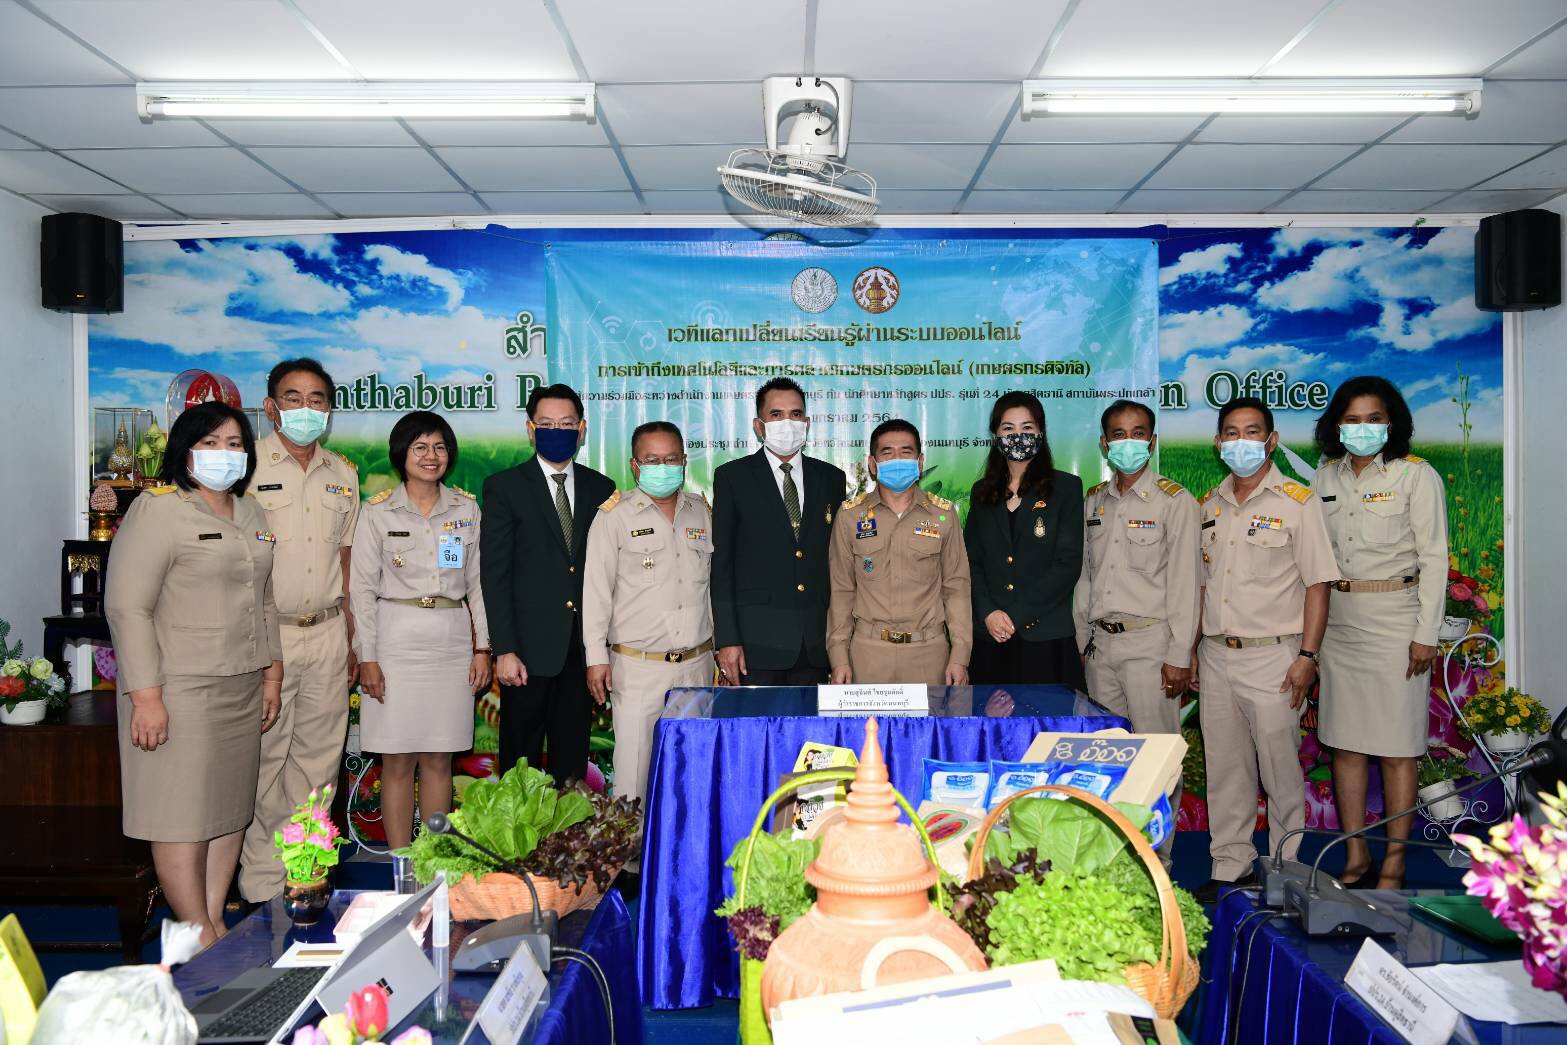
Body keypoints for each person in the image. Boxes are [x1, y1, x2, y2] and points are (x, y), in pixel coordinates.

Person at [105, 402, 283, 947]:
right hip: (178, 689)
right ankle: (196, 931)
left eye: (235, 444)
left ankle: (214, 919)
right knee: (180, 813)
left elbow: (265, 600)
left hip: (243, 683)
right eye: (210, 443)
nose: (224, 453)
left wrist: (272, 677)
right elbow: (127, 607)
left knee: (228, 809)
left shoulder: (251, 512)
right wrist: (146, 698)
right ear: (184, 450)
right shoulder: (158, 510)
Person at [1193, 397, 1340, 902]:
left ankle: (1284, 869)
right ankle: (1230, 864)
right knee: (1226, 768)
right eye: (1231, 433)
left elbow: (1318, 584)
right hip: (1216, 655)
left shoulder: (1298, 503)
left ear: (1271, 440)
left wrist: (1308, 656)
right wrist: (1193, 650)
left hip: (1275, 657)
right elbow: (1203, 586)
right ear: (1218, 443)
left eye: (1252, 431)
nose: (1242, 442)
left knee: (1280, 770)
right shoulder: (1209, 506)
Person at [1313, 377, 1448, 890]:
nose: (1362, 428)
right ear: (1337, 425)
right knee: (1345, 745)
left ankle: (1394, 861)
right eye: (1352, 420)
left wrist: (1426, 633)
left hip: (1396, 621)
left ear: (1392, 424)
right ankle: (1356, 855)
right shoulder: (1326, 476)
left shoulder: (1416, 475)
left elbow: (1434, 559)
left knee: (1396, 748)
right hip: (1339, 623)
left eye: (1374, 420)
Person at [238, 358, 360, 904]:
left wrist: (354, 638)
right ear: (271, 407)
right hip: (269, 638)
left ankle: (303, 879)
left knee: (318, 766)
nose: (305, 409)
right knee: (264, 762)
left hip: (329, 633)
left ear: (328, 411)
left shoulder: (343, 475)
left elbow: (347, 562)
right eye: (293, 398)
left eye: (316, 400)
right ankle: (261, 889)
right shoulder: (243, 467)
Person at [350, 411, 491, 851]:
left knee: (438, 759)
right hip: (395, 644)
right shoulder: (377, 512)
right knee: (397, 761)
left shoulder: (466, 509)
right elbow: (361, 590)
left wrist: (483, 648)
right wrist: (367, 656)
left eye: (440, 447)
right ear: (402, 454)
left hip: (451, 643)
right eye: (421, 447)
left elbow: (478, 585)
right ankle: (401, 866)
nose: (431, 456)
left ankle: (433, 861)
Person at [1073, 399, 1200, 862]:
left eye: (1138, 433)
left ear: (1152, 440)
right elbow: (1085, 576)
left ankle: (1159, 861)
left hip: (1151, 646)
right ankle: (1118, 859)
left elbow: (1186, 584)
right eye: (1118, 434)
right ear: (1104, 444)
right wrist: (1082, 639)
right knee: (1109, 757)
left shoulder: (1175, 501)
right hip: (1100, 646)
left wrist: (1180, 655)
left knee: (1156, 757)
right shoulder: (1093, 501)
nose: (1128, 442)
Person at [481, 384, 614, 786]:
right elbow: (495, 575)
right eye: (547, 423)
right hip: (526, 654)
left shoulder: (602, 488)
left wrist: (601, 649)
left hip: (581, 651)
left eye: (567, 424)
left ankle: (568, 829)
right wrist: (505, 649)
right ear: (530, 429)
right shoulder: (505, 487)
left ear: (582, 429)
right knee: (519, 766)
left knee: (571, 765)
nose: (558, 431)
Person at [583, 421, 713, 806]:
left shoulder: (701, 512)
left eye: (671, 459)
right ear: (635, 465)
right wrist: (595, 659)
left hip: (697, 667)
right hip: (639, 668)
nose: (663, 467)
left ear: (684, 461)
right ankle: (632, 848)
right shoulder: (614, 517)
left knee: (694, 774)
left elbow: (713, 589)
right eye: (652, 460)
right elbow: (596, 593)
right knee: (634, 780)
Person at [713, 378, 847, 685]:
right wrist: (728, 640)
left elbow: (838, 562)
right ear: (758, 426)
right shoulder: (733, 478)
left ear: (807, 423)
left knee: (812, 719)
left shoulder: (831, 478)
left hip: (816, 644)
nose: (788, 422)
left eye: (795, 414)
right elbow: (722, 566)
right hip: (755, 645)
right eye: (776, 415)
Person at [827, 419, 972, 690]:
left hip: (929, 654)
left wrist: (960, 657)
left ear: (919, 462)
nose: (897, 460)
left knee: (933, 721)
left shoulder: (943, 515)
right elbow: (842, 591)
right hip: (868, 655)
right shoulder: (850, 516)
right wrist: (838, 657)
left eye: (906, 452)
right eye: (887, 453)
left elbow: (956, 589)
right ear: (872, 464)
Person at [965, 391, 1084, 689]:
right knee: (990, 717)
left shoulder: (1066, 487)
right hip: (991, 636)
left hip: (1046, 638)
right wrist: (989, 613)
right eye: (1008, 428)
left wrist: (1014, 616)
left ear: (1041, 432)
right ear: (995, 435)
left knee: (1048, 718)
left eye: (1027, 427)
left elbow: (1067, 564)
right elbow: (971, 562)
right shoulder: (981, 492)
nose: (1018, 436)